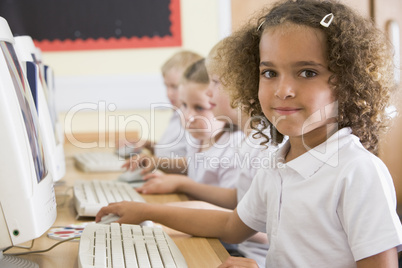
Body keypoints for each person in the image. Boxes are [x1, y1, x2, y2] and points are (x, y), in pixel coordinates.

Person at [97, 0, 402, 267]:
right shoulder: (277, 161)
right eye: (269, 73)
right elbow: (232, 225)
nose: (283, 90)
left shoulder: (358, 172)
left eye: (307, 72)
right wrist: (145, 212)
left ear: (347, 82)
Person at [135, 41, 272, 267]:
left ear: (245, 88)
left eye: (216, 83)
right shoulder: (249, 142)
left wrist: (179, 189)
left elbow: (239, 219)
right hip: (238, 246)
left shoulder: (252, 146)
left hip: (246, 252)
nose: (210, 91)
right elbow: (238, 203)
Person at [124, 58, 244, 189]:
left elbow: (232, 201)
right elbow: (194, 164)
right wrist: (157, 162)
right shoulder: (199, 138)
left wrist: (181, 184)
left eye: (199, 107)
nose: (187, 117)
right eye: (184, 105)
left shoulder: (234, 146)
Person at [118, 50, 202, 158]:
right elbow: (170, 152)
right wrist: (149, 145)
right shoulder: (176, 114)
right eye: (166, 86)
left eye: (174, 87)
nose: (168, 93)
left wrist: (155, 162)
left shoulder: (193, 121)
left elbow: (191, 165)